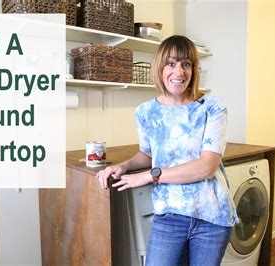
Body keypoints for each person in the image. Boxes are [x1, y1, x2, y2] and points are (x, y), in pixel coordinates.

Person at [96, 35, 238, 266]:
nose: (179, 72)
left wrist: (148, 176)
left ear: (193, 69)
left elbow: (207, 167)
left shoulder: (212, 107)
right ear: (160, 68)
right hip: (170, 215)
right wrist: (122, 166)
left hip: (211, 216)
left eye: (186, 64)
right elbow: (148, 154)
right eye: (171, 64)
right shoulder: (145, 112)